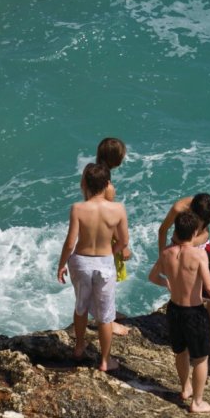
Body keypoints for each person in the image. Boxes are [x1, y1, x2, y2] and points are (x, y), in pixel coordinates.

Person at [149, 211, 210, 414]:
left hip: (174, 310)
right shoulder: (198, 254)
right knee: (200, 358)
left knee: (180, 351)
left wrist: (166, 282)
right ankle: (197, 402)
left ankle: (185, 388)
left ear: (176, 231)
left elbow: (152, 276)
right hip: (194, 312)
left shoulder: (166, 253)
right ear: (195, 232)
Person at [56, 163, 130, 371]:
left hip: (81, 261)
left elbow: (70, 242)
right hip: (105, 263)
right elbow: (123, 241)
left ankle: (79, 347)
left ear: (85, 184)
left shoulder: (78, 208)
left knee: (81, 306)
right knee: (105, 315)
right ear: (107, 184)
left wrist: (62, 265)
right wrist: (110, 252)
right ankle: (106, 361)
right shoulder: (118, 209)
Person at [157, 193, 210, 360]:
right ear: (191, 210)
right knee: (183, 292)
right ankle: (183, 330)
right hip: (180, 249)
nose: (200, 224)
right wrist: (163, 257)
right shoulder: (179, 208)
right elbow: (162, 230)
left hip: (202, 250)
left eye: (204, 221)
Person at [96, 137, 132, 336]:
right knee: (108, 276)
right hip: (108, 237)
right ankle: (107, 319)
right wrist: (123, 244)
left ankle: (106, 313)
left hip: (94, 233)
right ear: (115, 159)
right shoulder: (108, 188)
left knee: (101, 277)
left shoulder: (92, 175)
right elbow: (112, 217)